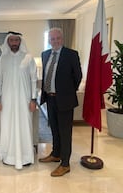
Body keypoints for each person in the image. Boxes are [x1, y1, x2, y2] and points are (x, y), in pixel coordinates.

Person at [39, 27, 82, 177]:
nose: (55, 41)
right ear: (49, 40)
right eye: (52, 39)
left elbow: (78, 77)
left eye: (57, 38)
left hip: (65, 100)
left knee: (65, 132)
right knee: (54, 129)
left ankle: (65, 164)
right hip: (50, 99)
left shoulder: (71, 54)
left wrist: (66, 92)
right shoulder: (45, 54)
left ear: (62, 39)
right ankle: (56, 154)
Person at [0, 31, 37, 170]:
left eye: (16, 40)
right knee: (7, 127)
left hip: (24, 100)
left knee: (24, 126)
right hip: (6, 101)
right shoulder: (3, 59)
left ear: (20, 42)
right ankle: (8, 156)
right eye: (11, 40)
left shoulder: (28, 58)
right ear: (8, 42)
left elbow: (33, 80)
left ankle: (25, 156)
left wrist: (33, 99)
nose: (14, 43)